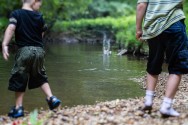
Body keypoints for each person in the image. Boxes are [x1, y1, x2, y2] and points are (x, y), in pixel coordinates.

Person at [2, 0, 61, 118]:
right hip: (39, 51)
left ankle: (18, 108)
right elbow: (42, 33)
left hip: (24, 50)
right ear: (34, 1)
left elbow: (11, 28)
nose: (40, 5)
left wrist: (5, 44)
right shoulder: (39, 16)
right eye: (40, 3)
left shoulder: (16, 14)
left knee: (20, 77)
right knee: (40, 75)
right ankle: (51, 98)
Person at [136, 0, 188, 117]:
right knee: (176, 66)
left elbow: (141, 5)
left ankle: (148, 100)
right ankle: (166, 106)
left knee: (153, 63)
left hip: (153, 29)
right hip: (173, 24)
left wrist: (139, 29)